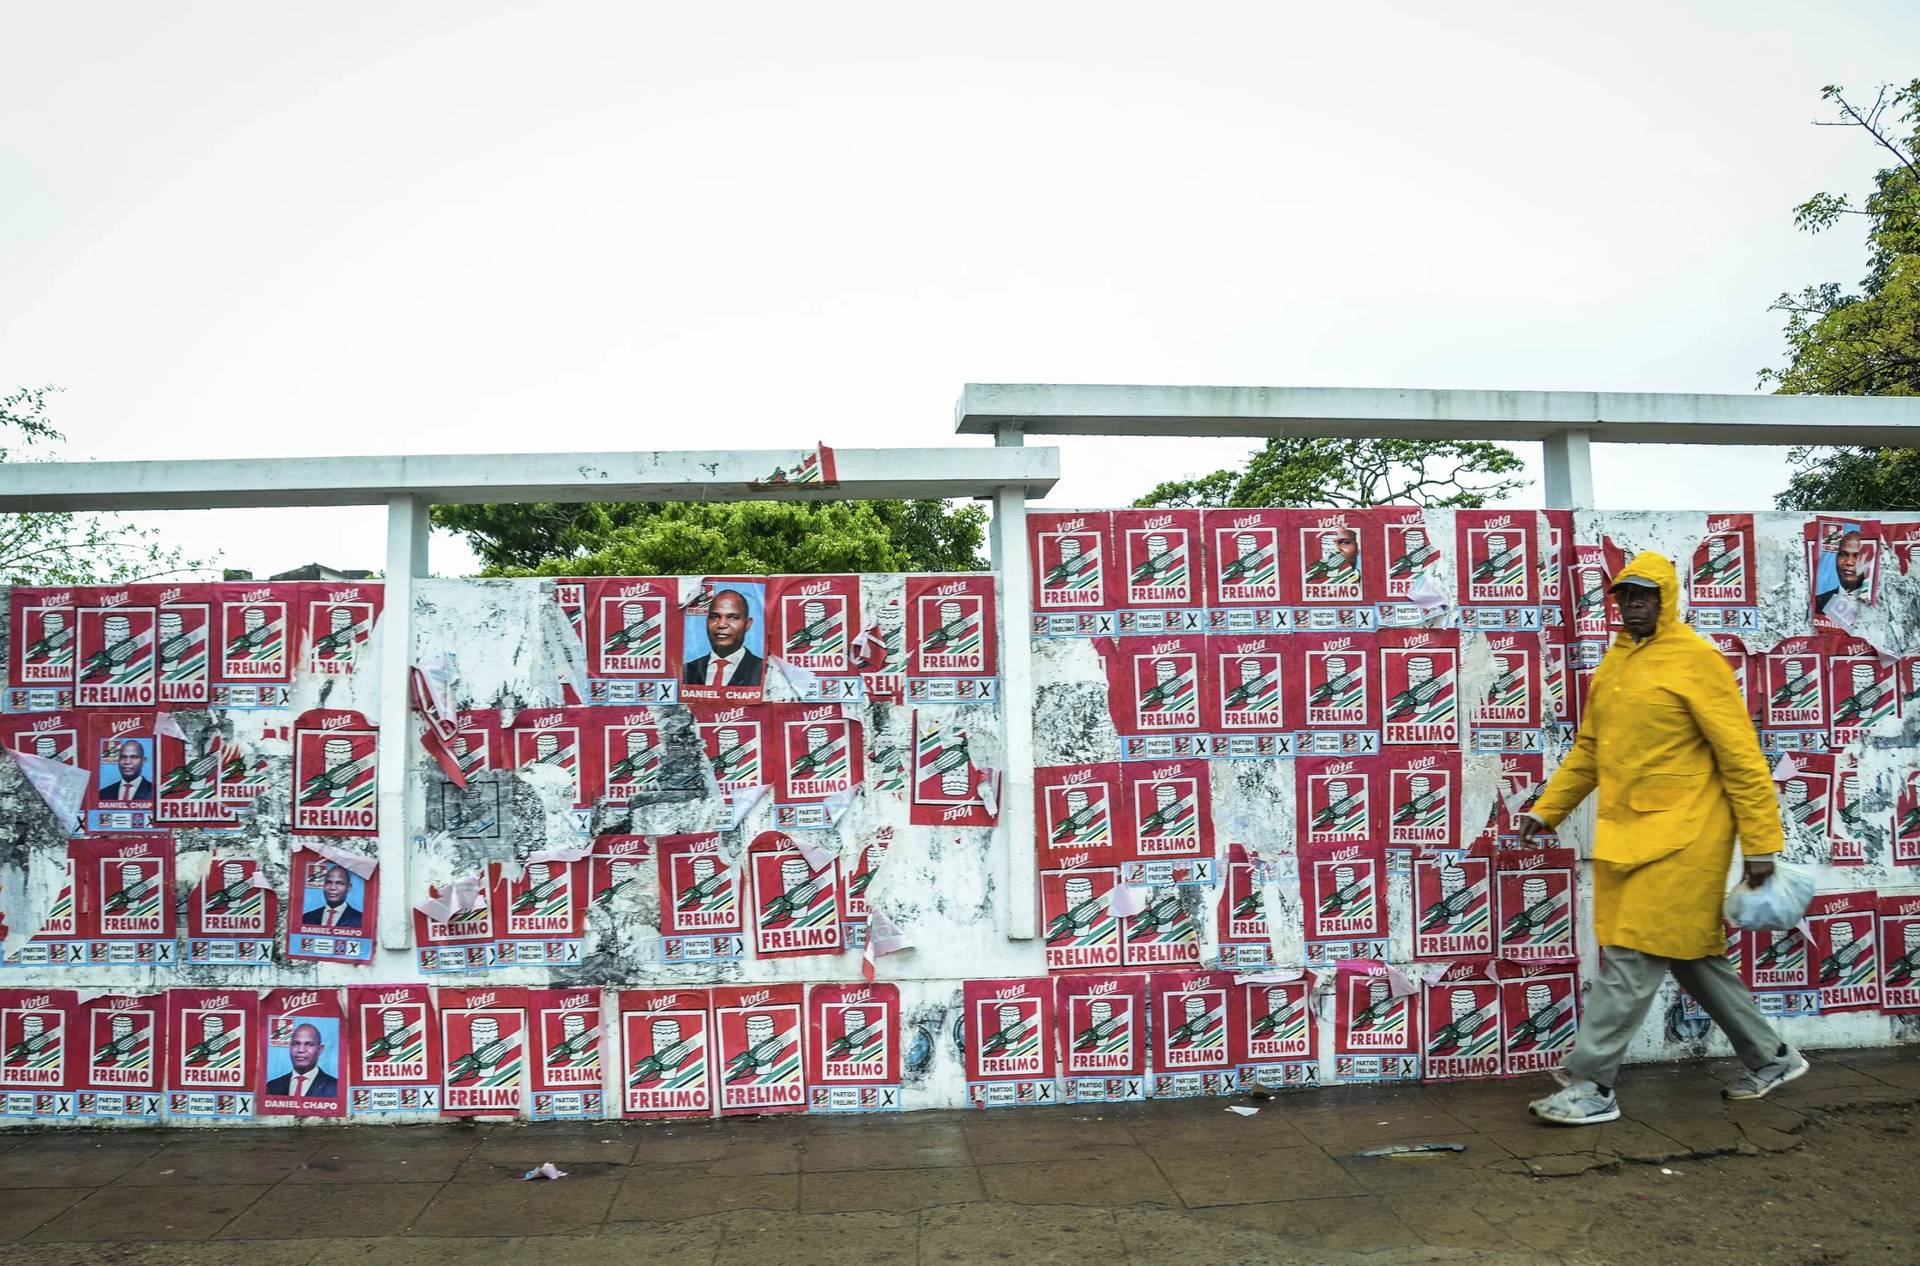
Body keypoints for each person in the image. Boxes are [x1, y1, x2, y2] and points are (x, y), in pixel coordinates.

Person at [1520, 553, 1805, 1126]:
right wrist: (1548, 809)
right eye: (1625, 596)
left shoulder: (1697, 660)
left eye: (1645, 595)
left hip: (1688, 838)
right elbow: (1591, 750)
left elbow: (1742, 757)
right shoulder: (1616, 662)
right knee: (1692, 955)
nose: (1633, 605)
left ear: (1667, 598)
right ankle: (1771, 1057)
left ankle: (1591, 1084)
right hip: (1630, 836)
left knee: (1633, 954)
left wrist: (1760, 845)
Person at [684, 588, 764, 686]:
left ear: (747, 624)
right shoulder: (688, 670)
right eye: (714, 617)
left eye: (732, 617)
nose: (722, 624)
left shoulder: (763, 670)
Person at [266, 1023, 338, 1099]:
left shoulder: (335, 1087)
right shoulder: (272, 1086)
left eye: (309, 1044)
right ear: (290, 1047)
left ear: (319, 1050)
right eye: (295, 1044)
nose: (300, 1050)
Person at [1814, 529, 1871, 614]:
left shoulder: (1878, 607)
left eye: (1857, 556)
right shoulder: (1817, 603)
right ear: (1836, 558)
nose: (1849, 562)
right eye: (1844, 555)